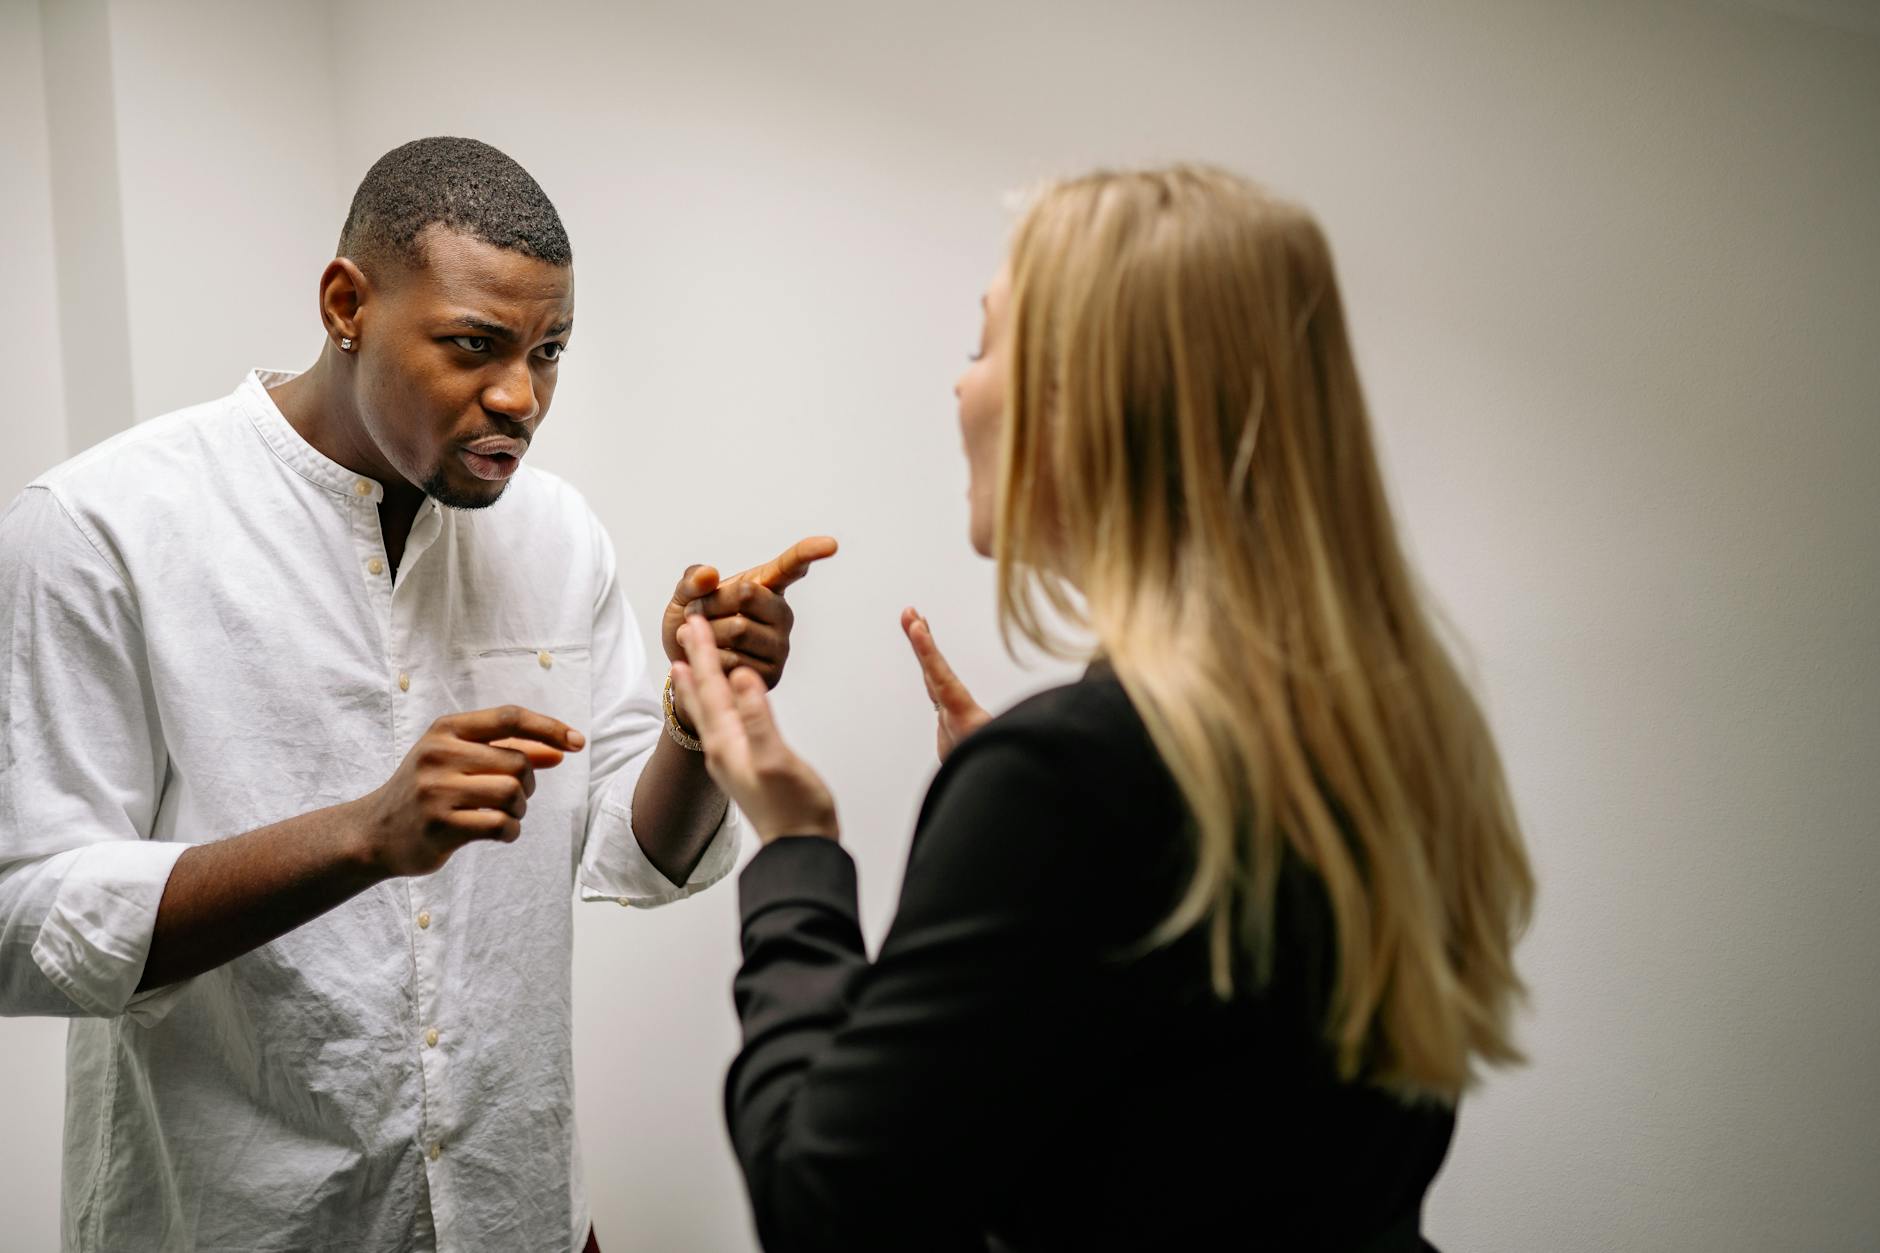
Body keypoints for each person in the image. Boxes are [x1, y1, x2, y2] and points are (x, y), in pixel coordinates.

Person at [671, 164, 1537, 1251]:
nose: (958, 386)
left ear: (1086, 398)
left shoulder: (1071, 779)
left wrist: (797, 850)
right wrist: (1036, 851)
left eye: (985, 345)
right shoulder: (1386, 739)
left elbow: (826, 1210)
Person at [0, 136, 834, 1252]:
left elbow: (634, 853)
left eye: (550, 350)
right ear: (346, 302)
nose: (519, 395)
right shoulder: (102, 529)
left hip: (517, 1211)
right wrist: (363, 834)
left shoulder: (557, 535)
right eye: (475, 345)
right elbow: (26, 917)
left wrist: (696, 719)